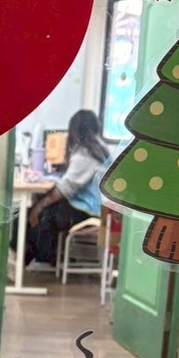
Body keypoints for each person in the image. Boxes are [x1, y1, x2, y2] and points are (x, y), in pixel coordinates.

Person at [25, 108, 110, 267]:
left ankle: (33, 259)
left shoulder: (85, 154)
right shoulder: (99, 148)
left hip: (89, 209)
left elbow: (64, 188)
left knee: (40, 214)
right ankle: (35, 257)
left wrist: (38, 206)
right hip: (95, 207)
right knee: (39, 210)